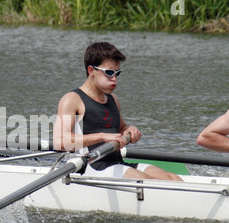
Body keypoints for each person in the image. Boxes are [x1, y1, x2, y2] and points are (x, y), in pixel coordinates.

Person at [53, 41, 181, 180]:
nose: (114, 79)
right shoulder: (72, 100)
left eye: (117, 73)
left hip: (117, 163)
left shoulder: (113, 99)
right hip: (90, 167)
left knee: (172, 179)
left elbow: (121, 128)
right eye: (109, 73)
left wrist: (129, 129)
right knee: (151, 182)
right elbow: (60, 141)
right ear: (91, 71)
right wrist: (102, 136)